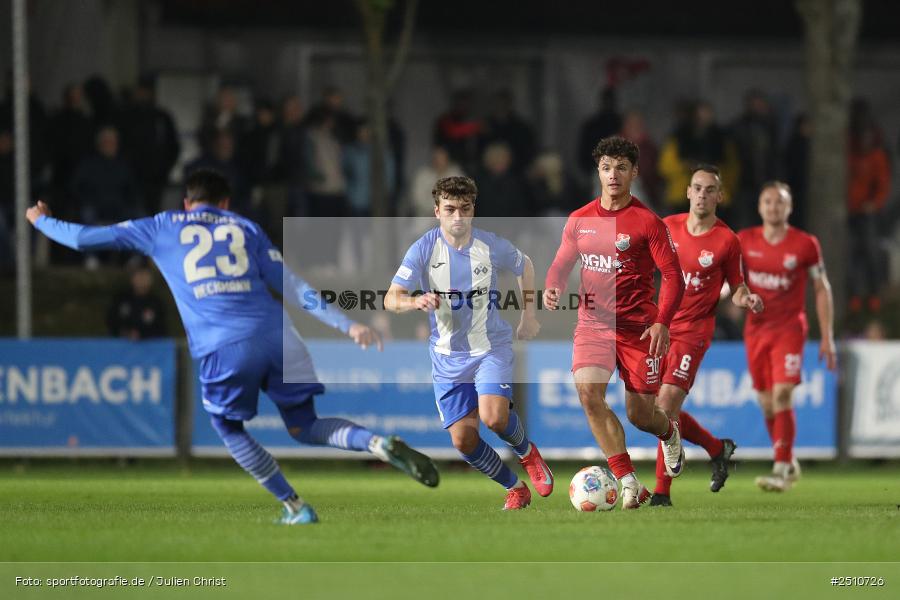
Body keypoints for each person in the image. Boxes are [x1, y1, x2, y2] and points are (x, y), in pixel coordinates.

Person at [26, 169, 439, 525]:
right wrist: (347, 325)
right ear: (225, 202)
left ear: (188, 203)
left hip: (222, 344)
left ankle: (294, 506)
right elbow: (291, 286)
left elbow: (84, 239)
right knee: (304, 425)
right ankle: (377, 445)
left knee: (227, 426)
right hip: (279, 336)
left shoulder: (162, 225)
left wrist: (42, 222)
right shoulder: (247, 229)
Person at [385, 175, 553, 510]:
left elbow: (526, 265)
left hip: (490, 346)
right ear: (437, 211)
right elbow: (391, 299)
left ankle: (527, 453)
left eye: (464, 208)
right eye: (450, 209)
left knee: (494, 417)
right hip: (447, 357)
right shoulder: (423, 248)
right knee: (463, 440)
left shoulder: (490, 245)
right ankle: (515, 488)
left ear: (473, 209)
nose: (458, 217)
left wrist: (528, 315)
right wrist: (414, 302)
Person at [544, 136, 686, 509]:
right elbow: (560, 265)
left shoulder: (646, 222)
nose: (613, 174)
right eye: (606, 167)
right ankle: (626, 479)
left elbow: (673, 276)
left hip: (640, 330)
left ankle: (669, 432)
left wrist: (663, 323)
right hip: (594, 324)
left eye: (621, 167)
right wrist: (553, 288)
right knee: (589, 395)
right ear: (598, 172)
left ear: (634, 173)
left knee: (641, 416)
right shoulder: (579, 220)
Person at [651, 164, 765, 507]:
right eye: (697, 188)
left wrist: (749, 299)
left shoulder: (727, 240)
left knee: (666, 404)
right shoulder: (666, 227)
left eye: (709, 189)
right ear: (687, 192)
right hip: (660, 327)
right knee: (651, 411)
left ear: (720, 195)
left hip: (694, 332)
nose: (702, 194)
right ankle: (718, 449)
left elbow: (738, 286)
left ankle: (661, 493)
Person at [738, 181, 836, 492]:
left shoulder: (805, 244)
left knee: (782, 395)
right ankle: (788, 458)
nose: (773, 207)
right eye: (767, 201)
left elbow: (822, 287)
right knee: (767, 403)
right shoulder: (744, 241)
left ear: (789, 207)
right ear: (759, 207)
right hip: (756, 331)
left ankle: (780, 468)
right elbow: (731, 281)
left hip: (790, 329)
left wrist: (827, 335)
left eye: (779, 202)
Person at [107, 264, 167, 340]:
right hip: (121, 346)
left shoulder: (156, 303)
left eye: (146, 275)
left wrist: (142, 335)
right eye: (139, 275)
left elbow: (162, 330)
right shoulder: (121, 299)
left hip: (149, 348)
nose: (142, 280)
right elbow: (112, 322)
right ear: (132, 278)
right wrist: (126, 333)